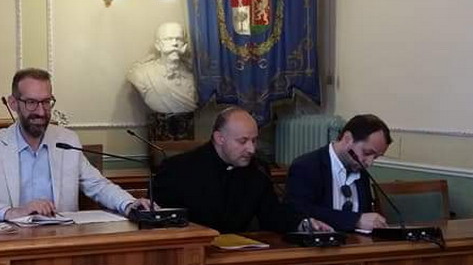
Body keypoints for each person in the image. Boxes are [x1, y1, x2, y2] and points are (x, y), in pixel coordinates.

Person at [0, 68, 152, 221]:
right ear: (14, 103)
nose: (41, 111)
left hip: (60, 241)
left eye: (46, 102)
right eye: (31, 102)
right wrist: (12, 212)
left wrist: (129, 203)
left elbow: (98, 186)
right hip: (11, 242)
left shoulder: (67, 141)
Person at [153, 107, 332, 234]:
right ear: (220, 138)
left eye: (254, 140)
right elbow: (161, 221)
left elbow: (272, 214)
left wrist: (302, 224)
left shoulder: (257, 169)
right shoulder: (178, 169)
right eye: (243, 141)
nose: (251, 149)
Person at [285, 114, 392, 232]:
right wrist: (355, 220)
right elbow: (299, 211)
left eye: (375, 157)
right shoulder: (307, 166)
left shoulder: (362, 173)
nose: (369, 163)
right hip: (322, 242)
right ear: (347, 139)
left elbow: (365, 217)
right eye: (366, 153)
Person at [126, 21, 198, 114]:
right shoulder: (142, 74)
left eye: (179, 39)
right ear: (158, 45)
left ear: (184, 44)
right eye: (168, 39)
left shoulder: (193, 73)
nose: (175, 43)